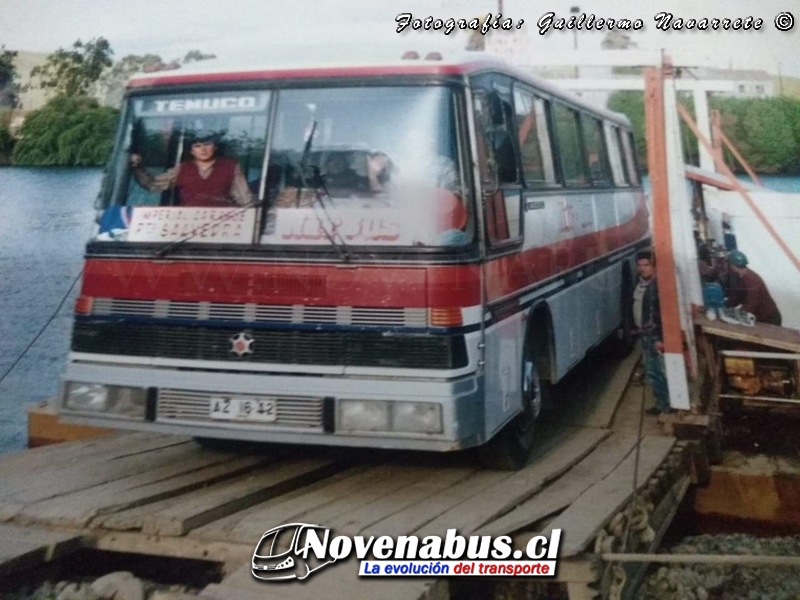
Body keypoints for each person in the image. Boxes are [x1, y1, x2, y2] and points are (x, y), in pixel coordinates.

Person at [129, 132, 252, 207]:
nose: (203, 150)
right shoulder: (183, 168)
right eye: (197, 146)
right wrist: (138, 167)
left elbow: (245, 199)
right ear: (191, 151)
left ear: (215, 147)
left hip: (222, 222)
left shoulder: (231, 166)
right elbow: (152, 184)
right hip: (187, 223)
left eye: (207, 144)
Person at [633, 250, 673, 416]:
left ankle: (667, 404)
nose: (642, 269)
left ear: (654, 267)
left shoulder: (657, 287)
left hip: (654, 336)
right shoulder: (641, 285)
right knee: (652, 372)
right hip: (645, 334)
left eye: (646, 265)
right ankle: (660, 403)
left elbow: (661, 314)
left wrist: (660, 337)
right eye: (640, 265)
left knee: (659, 372)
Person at [725, 250, 782, 326]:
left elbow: (752, 303)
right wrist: (724, 306)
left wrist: (734, 315)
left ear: (732, 265)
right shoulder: (740, 277)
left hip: (769, 318)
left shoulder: (752, 279)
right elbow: (737, 297)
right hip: (759, 317)